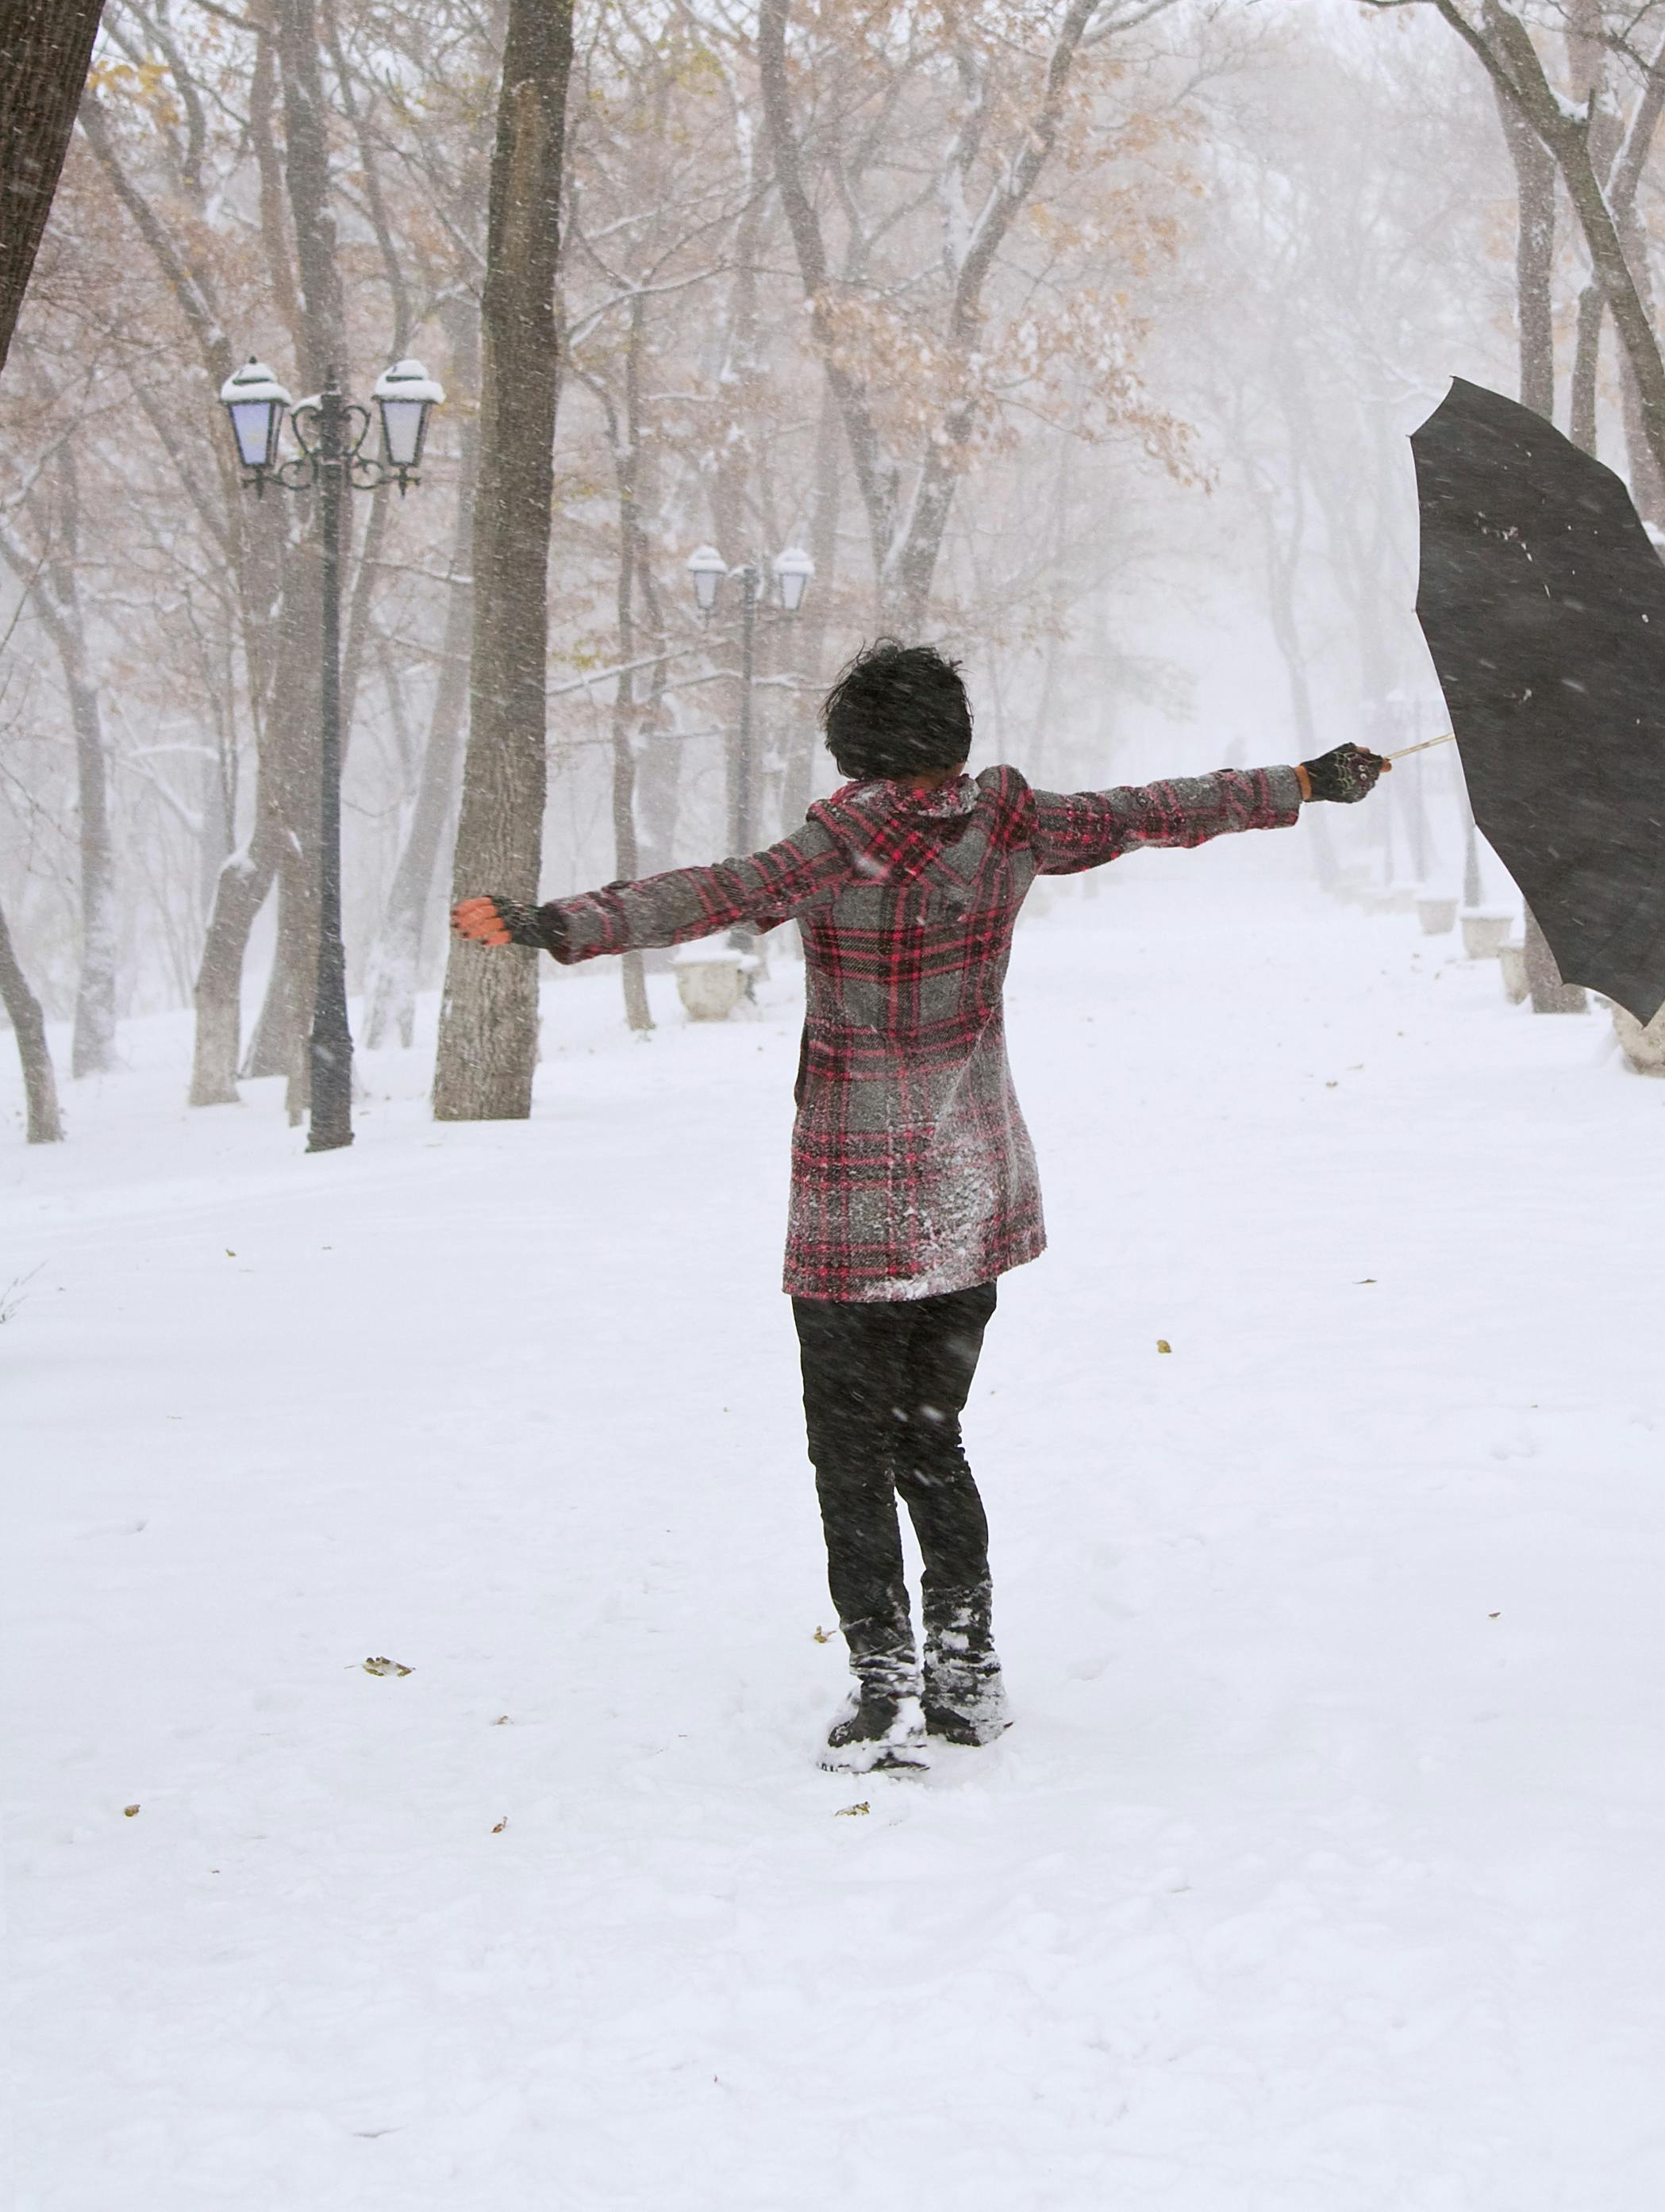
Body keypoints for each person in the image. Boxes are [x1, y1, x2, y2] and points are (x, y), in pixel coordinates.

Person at [452, 642, 1386, 1773]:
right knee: (930, 1444)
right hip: (965, 1187)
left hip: (848, 1207)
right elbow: (1158, 809)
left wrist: (559, 924)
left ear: (853, 750)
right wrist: (1301, 781)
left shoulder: (829, 852)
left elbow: (705, 895)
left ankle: (882, 1677)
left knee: (847, 1456)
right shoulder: (1014, 827)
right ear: (955, 738)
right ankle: (966, 1674)